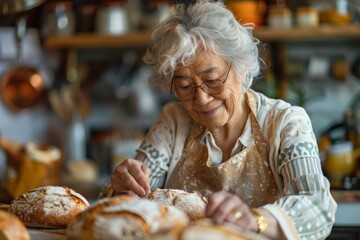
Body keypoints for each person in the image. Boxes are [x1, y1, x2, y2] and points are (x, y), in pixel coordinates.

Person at [110, 1, 337, 239]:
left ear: (240, 67)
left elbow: (317, 207)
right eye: (185, 86)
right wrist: (123, 189)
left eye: (213, 80)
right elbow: (133, 205)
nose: (202, 99)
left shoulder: (284, 123)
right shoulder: (174, 122)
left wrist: (256, 220)